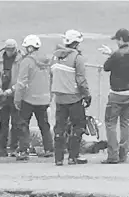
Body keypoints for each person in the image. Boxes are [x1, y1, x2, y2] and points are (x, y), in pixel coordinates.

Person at [98, 28, 129, 164]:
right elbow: (123, 61)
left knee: (110, 123)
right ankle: (123, 154)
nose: (116, 42)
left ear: (121, 40)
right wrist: (112, 53)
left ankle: (113, 155)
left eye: (117, 40)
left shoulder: (117, 55)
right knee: (125, 123)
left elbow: (107, 67)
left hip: (117, 93)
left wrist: (111, 54)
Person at [51, 29, 92, 166]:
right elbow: (81, 80)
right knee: (78, 126)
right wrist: (87, 95)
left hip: (59, 98)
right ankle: (72, 157)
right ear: (76, 43)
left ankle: (58, 159)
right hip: (74, 98)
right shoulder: (77, 58)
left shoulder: (55, 56)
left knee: (60, 129)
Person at [14, 34, 54, 161]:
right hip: (44, 98)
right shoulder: (47, 60)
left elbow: (21, 83)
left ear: (30, 48)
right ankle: (49, 149)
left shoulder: (27, 62)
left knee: (23, 124)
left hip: (29, 98)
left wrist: (17, 99)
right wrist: (50, 96)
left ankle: (23, 150)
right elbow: (52, 79)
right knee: (44, 124)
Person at [0, 39, 24, 157]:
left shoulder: (21, 59)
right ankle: (2, 148)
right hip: (2, 94)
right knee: (3, 123)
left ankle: (14, 148)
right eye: (8, 49)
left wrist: (12, 89)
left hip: (15, 94)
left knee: (16, 122)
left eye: (12, 50)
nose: (9, 52)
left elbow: (22, 77)